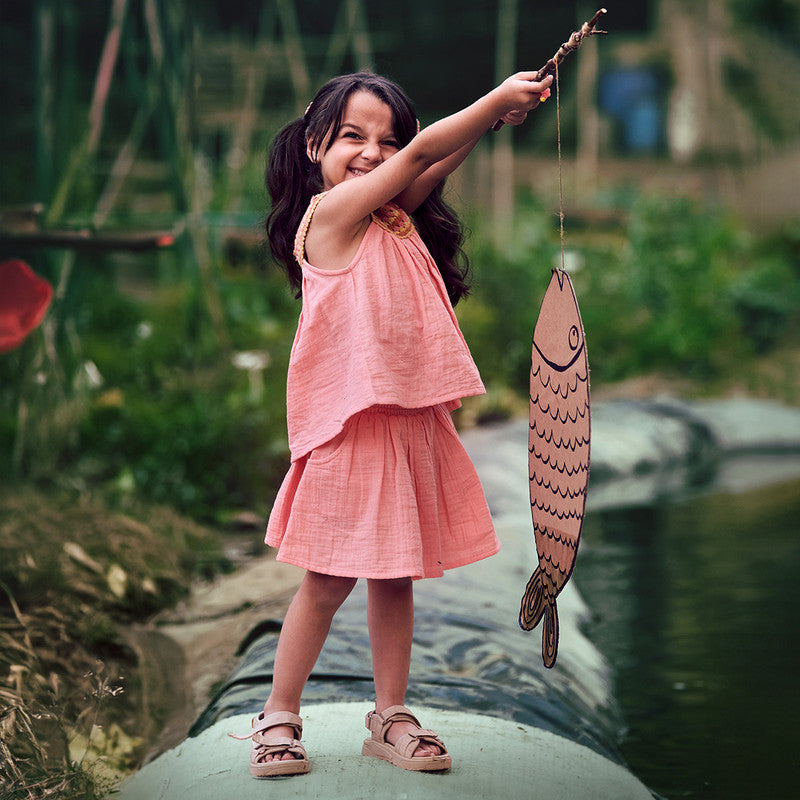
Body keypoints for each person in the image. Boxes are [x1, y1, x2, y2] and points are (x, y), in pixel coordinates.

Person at [233, 69, 553, 778]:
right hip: (352, 425)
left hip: (406, 419)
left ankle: (390, 714)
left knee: (395, 575)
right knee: (325, 581)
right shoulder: (330, 217)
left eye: (387, 140)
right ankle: (279, 713)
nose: (374, 153)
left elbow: (426, 166)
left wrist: (488, 127)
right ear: (314, 145)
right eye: (353, 137)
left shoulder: (390, 215)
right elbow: (416, 161)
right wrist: (491, 101)